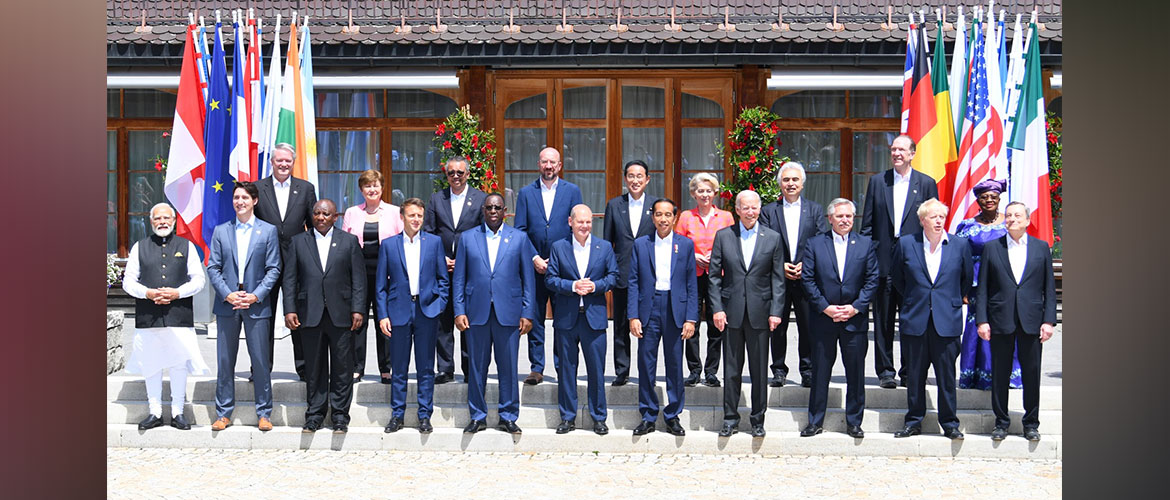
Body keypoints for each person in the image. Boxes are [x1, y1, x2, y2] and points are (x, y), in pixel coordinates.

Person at [453, 193, 536, 434]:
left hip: (508, 313)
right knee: (477, 367)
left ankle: (508, 416)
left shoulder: (519, 238)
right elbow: (459, 279)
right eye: (488, 207)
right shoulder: (468, 238)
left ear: (505, 211)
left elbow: (528, 281)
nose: (492, 211)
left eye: (497, 208)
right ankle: (477, 416)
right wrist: (459, 311)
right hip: (476, 312)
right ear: (482, 210)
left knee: (508, 367)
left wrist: (527, 312)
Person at [860, 134, 939, 389]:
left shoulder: (926, 183)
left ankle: (909, 371)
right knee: (882, 317)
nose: (896, 154)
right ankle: (885, 371)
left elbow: (932, 223)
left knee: (911, 318)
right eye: (893, 149)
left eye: (901, 150)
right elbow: (868, 224)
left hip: (913, 260)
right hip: (883, 259)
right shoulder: (877, 182)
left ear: (912, 154)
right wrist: (866, 259)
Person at [122, 203, 210, 431]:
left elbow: (199, 279)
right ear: (151, 222)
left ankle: (178, 412)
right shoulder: (139, 247)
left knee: (179, 364)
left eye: (166, 218)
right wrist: (148, 293)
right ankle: (155, 412)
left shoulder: (187, 246)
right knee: (151, 364)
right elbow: (128, 282)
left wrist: (177, 293)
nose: (162, 222)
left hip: (178, 315)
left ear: (174, 221)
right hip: (148, 316)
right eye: (157, 218)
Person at [891, 199, 973, 440]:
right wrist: (917, 300)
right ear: (922, 220)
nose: (938, 221)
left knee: (946, 376)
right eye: (933, 217)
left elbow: (965, 280)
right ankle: (914, 421)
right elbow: (898, 278)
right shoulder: (907, 244)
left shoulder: (959, 245)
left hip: (946, 321)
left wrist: (946, 302)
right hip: (915, 319)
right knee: (915, 375)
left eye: (941, 216)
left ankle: (949, 423)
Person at [282, 199, 366, 434]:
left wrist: (358, 309)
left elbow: (359, 279)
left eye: (325, 214)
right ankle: (315, 415)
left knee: (342, 368)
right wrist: (289, 309)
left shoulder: (349, 242)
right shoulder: (299, 242)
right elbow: (290, 279)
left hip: (342, 315)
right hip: (310, 314)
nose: (320, 217)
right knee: (315, 368)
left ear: (335, 217)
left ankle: (340, 416)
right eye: (317, 213)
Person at [977, 202, 1057, 442]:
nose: (1012, 219)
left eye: (1017, 215)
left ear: (1027, 220)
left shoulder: (1041, 248)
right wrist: (982, 320)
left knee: (1031, 374)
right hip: (1001, 320)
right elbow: (982, 288)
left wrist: (1049, 321)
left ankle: (1031, 423)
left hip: (1032, 321)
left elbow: (1049, 289)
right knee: (1000, 374)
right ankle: (1001, 423)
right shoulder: (992, 248)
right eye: (1009, 215)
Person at [708, 190, 785, 438]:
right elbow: (714, 278)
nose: (750, 212)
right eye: (745, 207)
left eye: (754, 207)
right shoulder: (724, 236)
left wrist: (776, 311)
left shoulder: (772, 238)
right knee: (731, 370)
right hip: (731, 313)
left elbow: (778, 279)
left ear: (759, 209)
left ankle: (757, 420)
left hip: (761, 313)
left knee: (759, 371)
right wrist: (717, 309)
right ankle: (730, 418)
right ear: (737, 210)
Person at [799, 198, 879, 439]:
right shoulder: (815, 244)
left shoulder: (865, 244)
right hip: (824, 319)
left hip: (854, 320)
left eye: (849, 216)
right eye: (840, 216)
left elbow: (872, 279)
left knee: (855, 373)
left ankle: (854, 421)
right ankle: (815, 421)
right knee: (820, 371)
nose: (845, 220)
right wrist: (825, 307)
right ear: (830, 218)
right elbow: (808, 279)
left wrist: (855, 307)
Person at [206, 181, 281, 431]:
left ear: (254, 201)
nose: (240, 202)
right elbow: (213, 267)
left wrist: (256, 295)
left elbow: (274, 268)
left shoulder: (268, 231)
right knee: (225, 361)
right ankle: (223, 412)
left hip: (256, 305)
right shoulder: (221, 231)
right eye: (236, 197)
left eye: (245, 198)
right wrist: (228, 295)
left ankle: (264, 413)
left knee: (260, 361)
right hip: (228, 305)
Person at [376, 198, 449, 434]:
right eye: (411, 215)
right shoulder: (388, 245)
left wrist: (439, 305)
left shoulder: (434, 243)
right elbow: (380, 286)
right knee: (399, 367)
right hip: (398, 312)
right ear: (402, 217)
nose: (416, 219)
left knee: (426, 367)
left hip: (426, 311)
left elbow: (442, 279)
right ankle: (397, 414)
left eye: (419, 215)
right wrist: (382, 315)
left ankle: (424, 415)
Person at [546, 204, 619, 435]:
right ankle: (568, 417)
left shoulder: (604, 247)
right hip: (567, 318)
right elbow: (550, 279)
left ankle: (599, 417)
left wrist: (596, 286)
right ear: (570, 222)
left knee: (596, 371)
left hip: (594, 318)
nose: (584, 226)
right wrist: (572, 286)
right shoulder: (559, 247)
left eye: (588, 222)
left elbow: (613, 276)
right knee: (567, 370)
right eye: (580, 222)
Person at [627, 198, 697, 437]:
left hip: (675, 308)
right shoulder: (641, 244)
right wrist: (633, 315)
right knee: (646, 364)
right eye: (659, 214)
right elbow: (633, 281)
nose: (663, 219)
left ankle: (672, 415)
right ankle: (648, 415)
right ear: (653, 217)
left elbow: (691, 283)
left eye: (668, 214)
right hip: (649, 307)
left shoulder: (686, 245)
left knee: (675, 364)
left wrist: (691, 318)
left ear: (675, 218)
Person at [514, 147, 583, 385]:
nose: (549, 166)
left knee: (563, 318)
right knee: (535, 317)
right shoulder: (525, 193)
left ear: (560, 165)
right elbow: (520, 231)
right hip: (533, 267)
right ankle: (536, 367)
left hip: (562, 267)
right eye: (545, 162)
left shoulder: (572, 191)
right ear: (538, 164)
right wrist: (533, 257)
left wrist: (557, 259)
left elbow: (576, 228)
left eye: (553, 162)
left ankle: (563, 365)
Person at [758, 161, 827, 388]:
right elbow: (764, 244)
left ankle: (807, 370)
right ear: (780, 184)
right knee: (777, 326)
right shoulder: (769, 211)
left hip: (806, 278)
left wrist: (805, 265)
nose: (790, 183)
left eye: (795, 179)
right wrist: (782, 266)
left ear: (802, 183)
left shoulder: (815, 210)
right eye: (786, 180)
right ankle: (778, 370)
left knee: (808, 326)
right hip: (778, 279)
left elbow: (820, 241)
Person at [254, 143, 318, 382]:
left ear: (293, 162)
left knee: (297, 316)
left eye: (288, 161)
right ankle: (260, 368)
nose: (283, 164)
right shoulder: (258, 188)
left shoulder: (306, 189)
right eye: (279, 160)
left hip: (297, 262)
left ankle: (304, 368)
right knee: (263, 318)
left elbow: (314, 227)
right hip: (264, 263)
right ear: (272, 162)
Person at [423, 156, 486, 385]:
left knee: (468, 318)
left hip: (469, 270)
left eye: (460, 173)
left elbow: (483, 234)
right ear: (446, 175)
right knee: (443, 319)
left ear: (467, 174)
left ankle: (470, 369)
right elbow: (429, 233)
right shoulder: (436, 199)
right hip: (442, 270)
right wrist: (442, 259)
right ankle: (445, 368)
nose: (456, 177)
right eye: (451, 173)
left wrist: (463, 260)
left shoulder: (480, 198)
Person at [956, 179, 1022, 390]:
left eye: (993, 197)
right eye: (985, 197)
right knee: (978, 327)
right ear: (978, 200)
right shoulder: (967, 226)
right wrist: (962, 288)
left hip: (1005, 285)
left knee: (1005, 327)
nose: (989, 200)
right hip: (976, 287)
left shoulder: (1008, 225)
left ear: (999, 199)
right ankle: (977, 376)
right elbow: (959, 258)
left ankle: (1009, 376)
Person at [341, 169, 404, 385]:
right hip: (357, 274)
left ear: (382, 187)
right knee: (357, 321)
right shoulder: (351, 212)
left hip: (386, 274)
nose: (372, 189)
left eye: (376, 185)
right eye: (368, 185)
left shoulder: (395, 212)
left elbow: (401, 244)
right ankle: (357, 367)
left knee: (384, 320)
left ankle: (386, 368)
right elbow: (344, 245)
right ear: (361, 189)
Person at [674, 172, 736, 388]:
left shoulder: (726, 217)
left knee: (716, 323)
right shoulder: (685, 217)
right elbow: (678, 244)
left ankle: (711, 371)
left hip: (718, 277)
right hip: (692, 275)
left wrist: (716, 258)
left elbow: (732, 244)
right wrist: (694, 256)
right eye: (700, 190)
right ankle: (693, 370)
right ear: (693, 193)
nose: (705, 194)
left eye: (709, 190)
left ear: (715, 193)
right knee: (692, 323)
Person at [603, 159, 658, 387]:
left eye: (639, 176)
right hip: (622, 274)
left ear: (647, 179)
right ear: (625, 179)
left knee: (649, 326)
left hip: (650, 276)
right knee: (622, 325)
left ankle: (648, 371)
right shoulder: (615, 205)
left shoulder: (657, 206)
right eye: (631, 176)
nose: (635, 180)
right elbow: (607, 243)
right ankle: (622, 370)